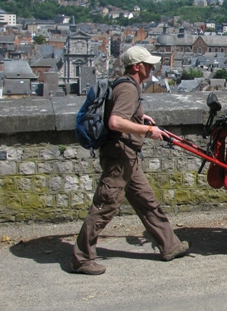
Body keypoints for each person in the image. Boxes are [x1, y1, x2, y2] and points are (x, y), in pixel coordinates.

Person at [70, 46, 189, 275]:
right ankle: (81, 258)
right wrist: (146, 129)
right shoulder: (128, 88)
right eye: (148, 64)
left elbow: (120, 114)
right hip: (120, 156)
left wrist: (139, 117)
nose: (152, 68)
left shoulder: (124, 83)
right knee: (105, 205)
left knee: (147, 201)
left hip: (127, 155)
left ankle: (169, 245)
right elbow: (115, 122)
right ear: (137, 66)